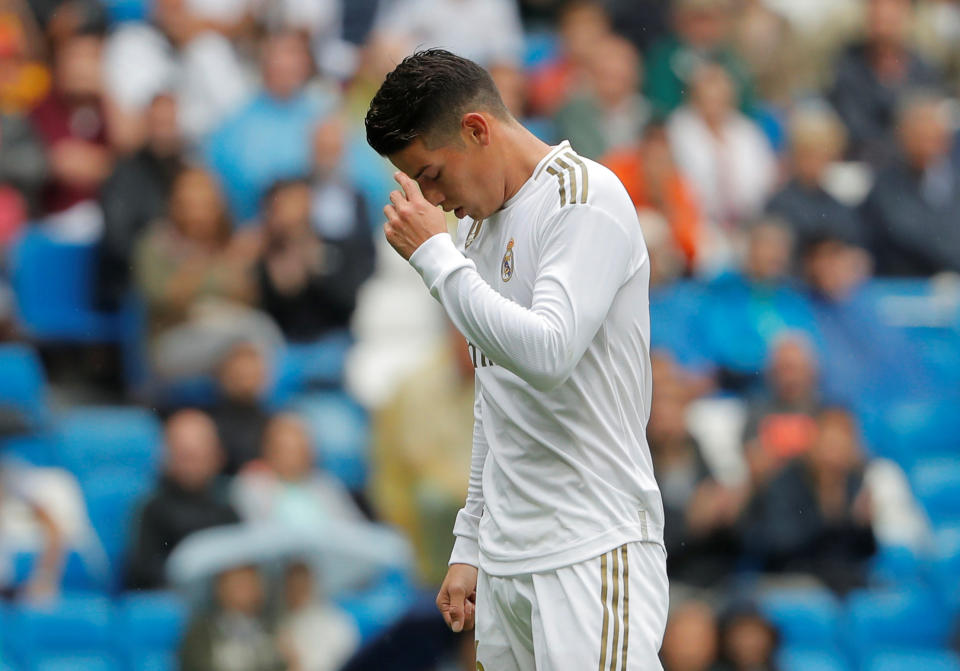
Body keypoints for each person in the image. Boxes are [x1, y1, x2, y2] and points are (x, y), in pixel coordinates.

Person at [365, 49, 668, 669]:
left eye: (430, 174)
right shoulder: (476, 234)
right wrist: (470, 538)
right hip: (508, 562)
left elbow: (549, 353)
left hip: (591, 546)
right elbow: (496, 398)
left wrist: (436, 259)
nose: (432, 198)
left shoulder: (583, 197)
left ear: (476, 129)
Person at [126, 409, 239, 590]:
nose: (190, 464)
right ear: (165, 457)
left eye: (197, 454)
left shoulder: (228, 507)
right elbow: (143, 570)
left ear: (217, 456)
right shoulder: (152, 509)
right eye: (183, 454)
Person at [96, 93, 184, 310]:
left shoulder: (187, 173)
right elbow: (118, 242)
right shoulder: (124, 174)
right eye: (157, 123)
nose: (163, 132)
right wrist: (158, 249)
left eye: (168, 123)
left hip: (182, 278)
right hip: (134, 285)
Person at [828, 0, 942, 166]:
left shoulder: (924, 70)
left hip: (913, 169)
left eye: (891, 15)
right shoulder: (847, 67)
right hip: (861, 164)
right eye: (877, 14)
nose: (883, 23)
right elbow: (853, 129)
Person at [859, 92, 960, 276]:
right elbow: (907, 233)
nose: (926, 146)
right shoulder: (885, 186)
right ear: (902, 138)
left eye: (933, 138)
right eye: (919, 136)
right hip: (906, 288)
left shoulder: (953, 180)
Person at [179, 564, 291, 671]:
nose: (250, 588)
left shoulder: (269, 629)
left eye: (253, 580)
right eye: (241, 582)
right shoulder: (201, 634)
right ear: (221, 588)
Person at [276, 561, 360, 671]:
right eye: (293, 586)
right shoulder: (284, 626)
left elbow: (349, 654)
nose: (297, 592)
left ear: (311, 584)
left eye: (302, 585)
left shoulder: (334, 620)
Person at [209, 341, 273, 476]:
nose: (246, 381)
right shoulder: (210, 425)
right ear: (223, 374)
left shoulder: (274, 424)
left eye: (251, 374)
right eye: (239, 374)